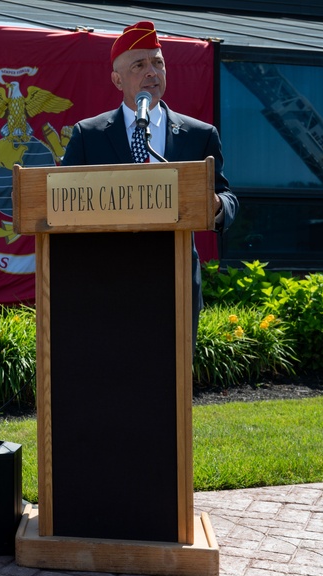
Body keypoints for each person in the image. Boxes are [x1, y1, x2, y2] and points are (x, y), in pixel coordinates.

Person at [61, 20, 238, 346]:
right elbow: (63, 201)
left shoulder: (199, 135)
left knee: (172, 384)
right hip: (107, 281)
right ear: (117, 79)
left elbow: (226, 196)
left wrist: (216, 206)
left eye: (158, 63)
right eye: (139, 65)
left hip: (176, 280)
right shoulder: (88, 135)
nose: (152, 72)